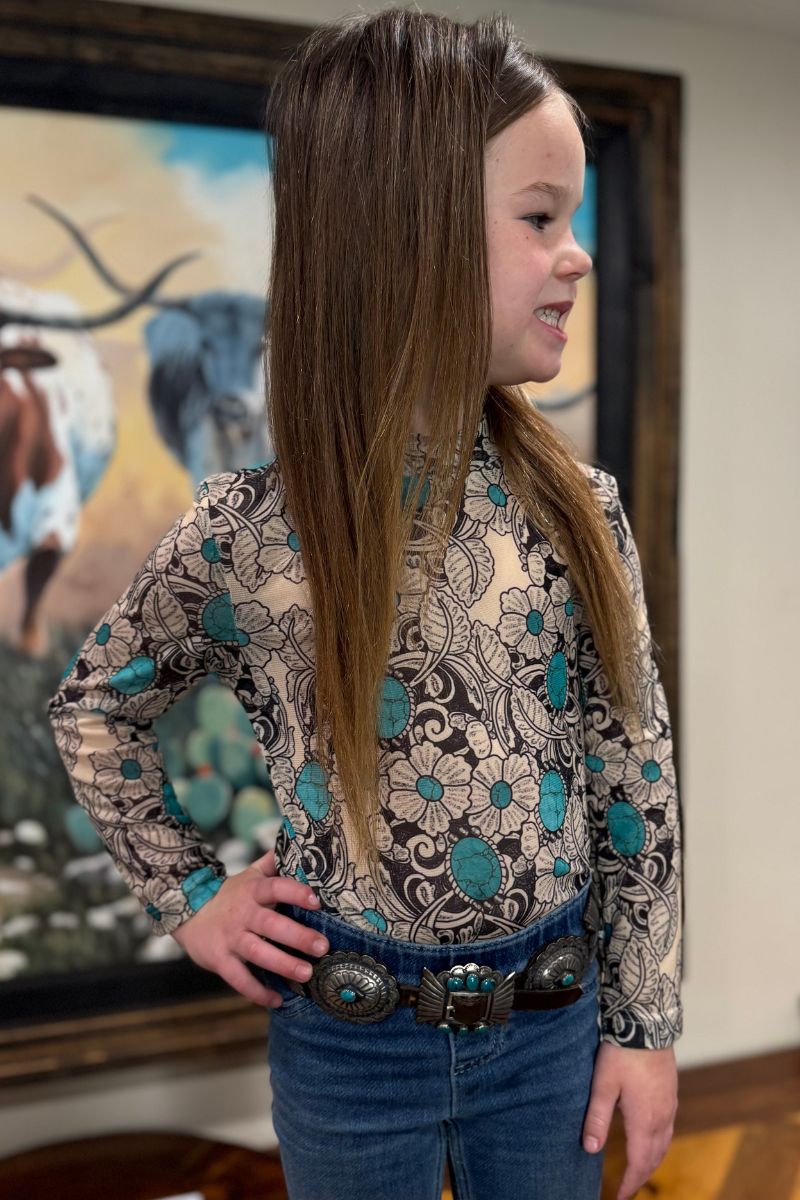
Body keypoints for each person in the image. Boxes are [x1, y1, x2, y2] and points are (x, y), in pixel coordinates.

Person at [48, 7, 683, 1199]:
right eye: (539, 217)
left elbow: (632, 773)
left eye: (573, 219)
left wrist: (644, 1028)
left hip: (550, 1033)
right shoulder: (249, 531)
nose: (577, 255)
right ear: (408, 230)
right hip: (347, 1048)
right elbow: (94, 710)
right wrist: (193, 897)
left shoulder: (579, 512)